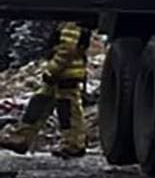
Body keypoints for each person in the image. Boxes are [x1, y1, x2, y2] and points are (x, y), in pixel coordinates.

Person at [1, 22, 92, 158]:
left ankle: (74, 145)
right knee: (39, 103)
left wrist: (52, 70)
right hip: (60, 76)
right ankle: (22, 138)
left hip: (66, 75)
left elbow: (67, 50)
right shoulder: (69, 24)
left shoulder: (72, 26)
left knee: (68, 111)